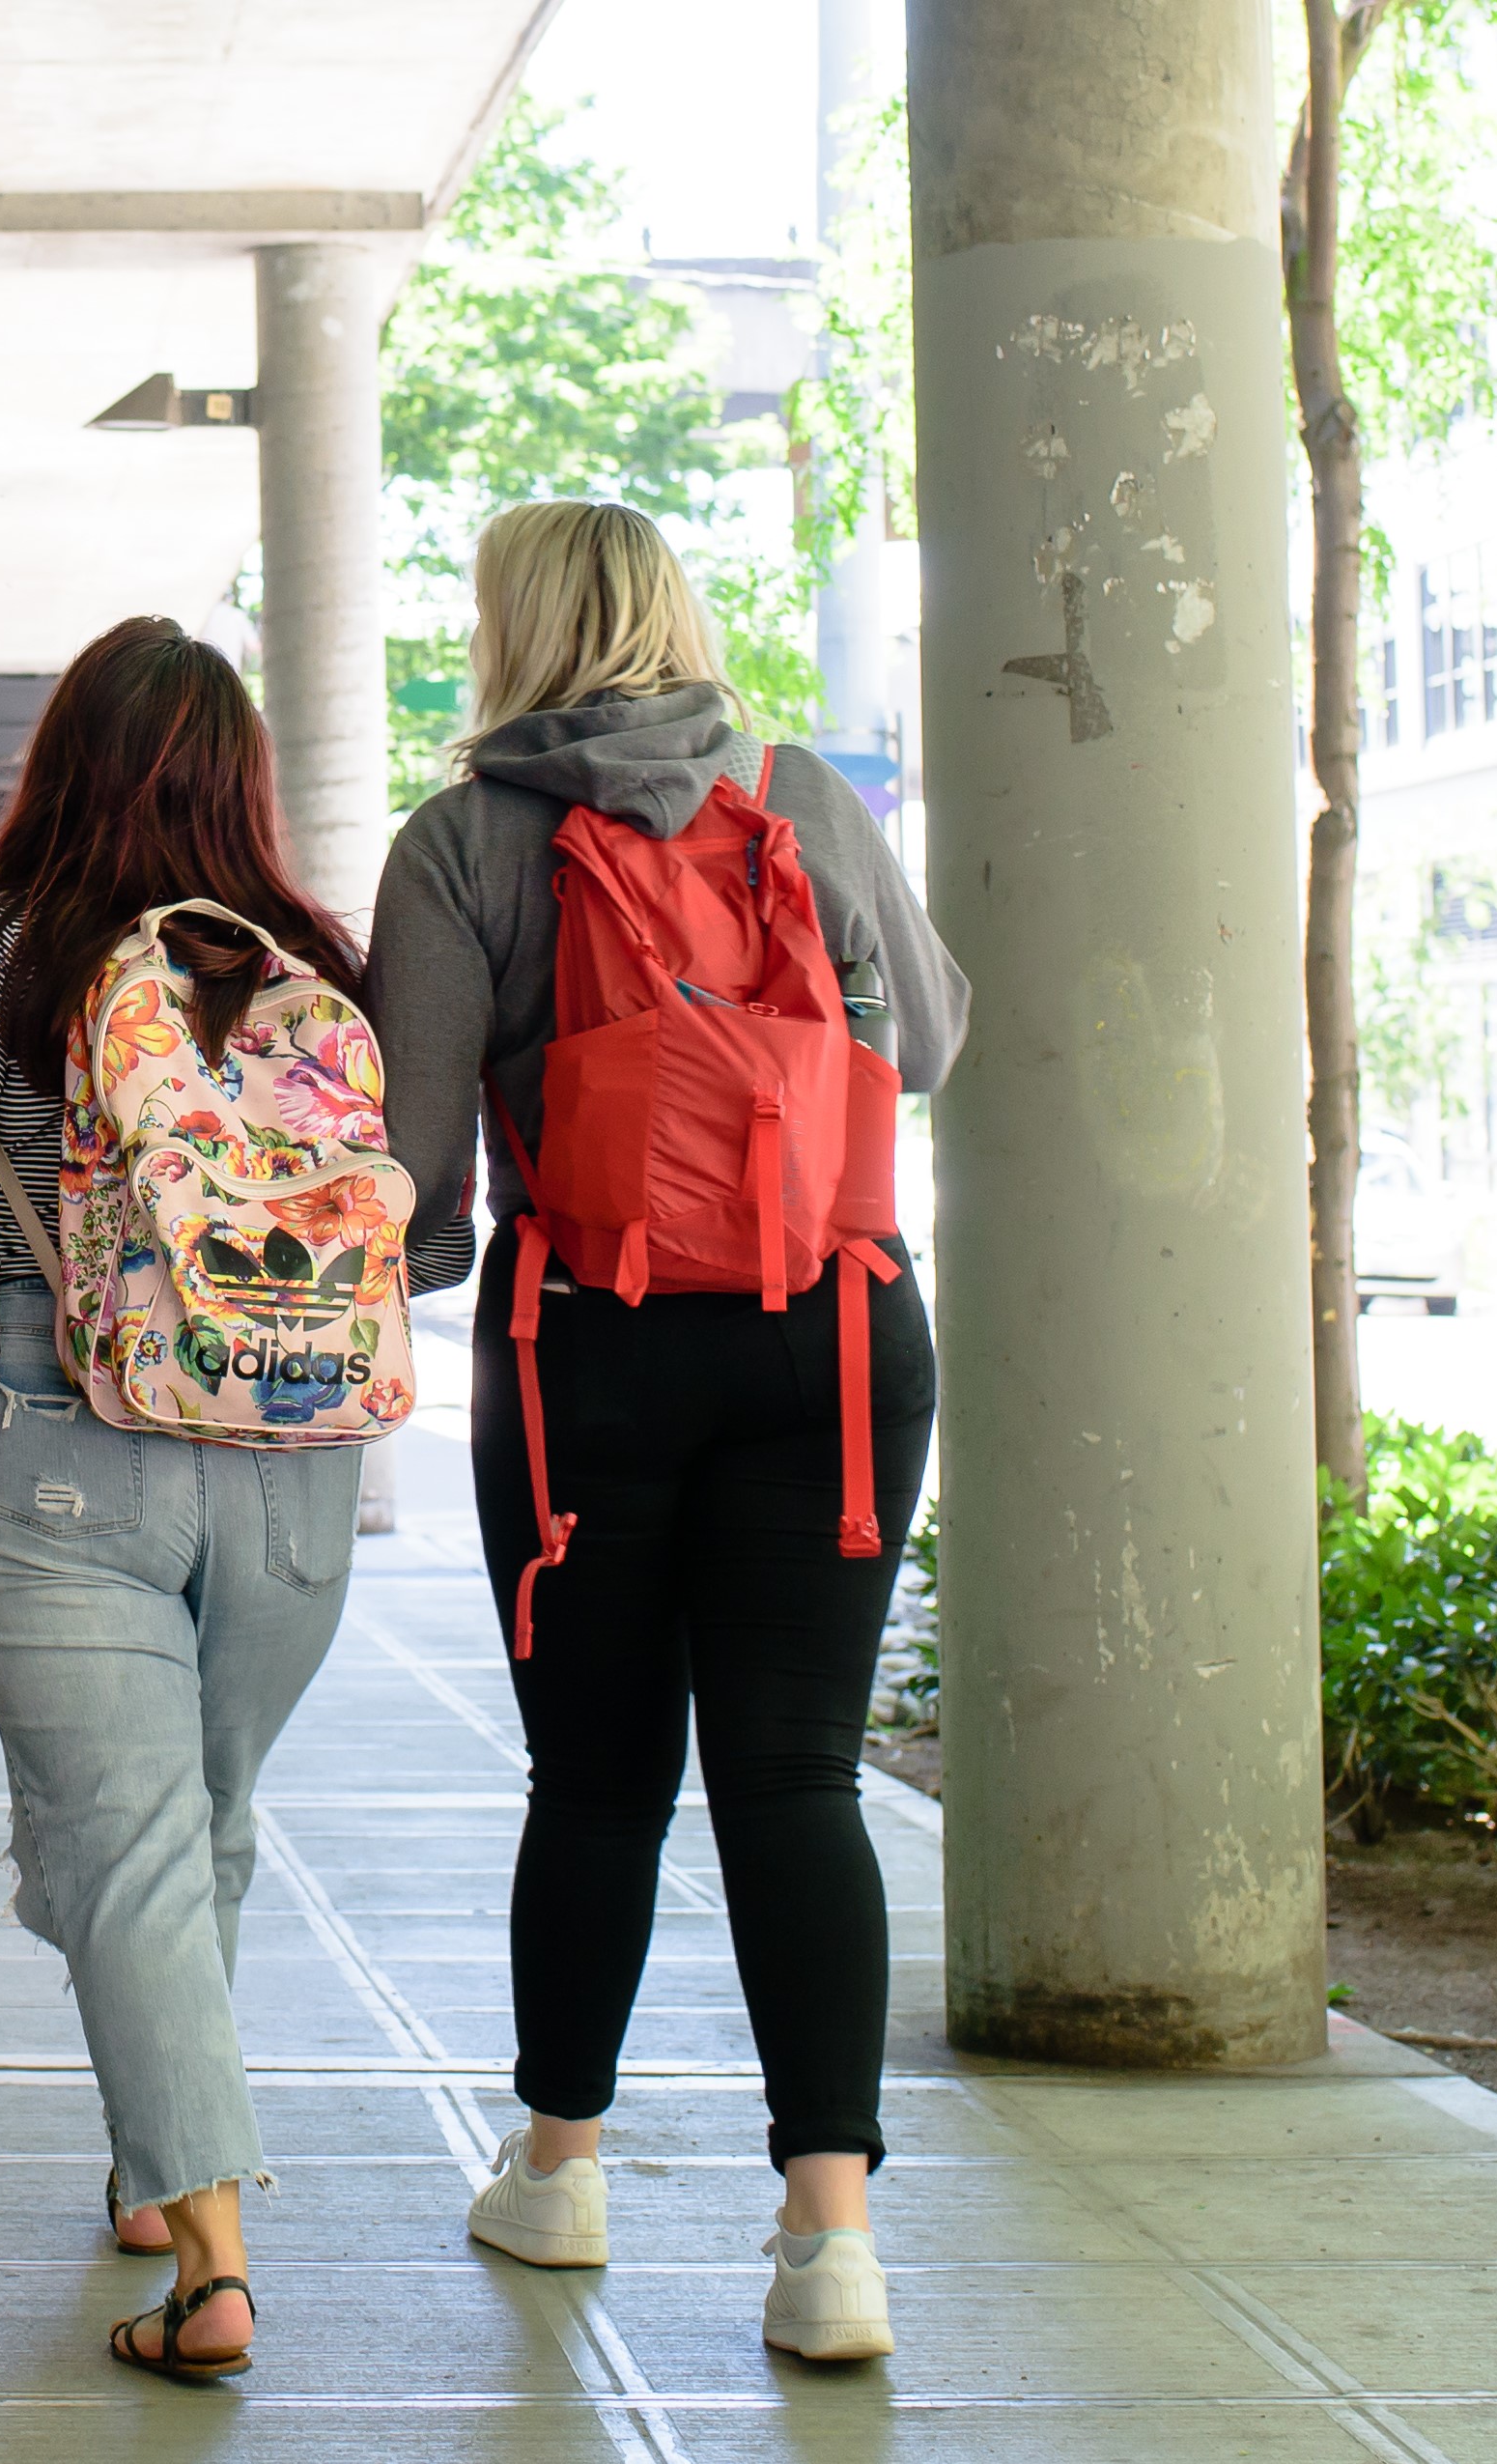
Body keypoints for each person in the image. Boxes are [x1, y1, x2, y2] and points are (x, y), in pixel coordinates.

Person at [367, 498, 968, 2365]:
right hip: (841, 1339)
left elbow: (415, 1160)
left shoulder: (466, 837)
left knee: (600, 1778)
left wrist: (450, 1249)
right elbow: (930, 1039)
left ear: (514, 632)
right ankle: (832, 2244)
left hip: (589, 1357)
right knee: (797, 1785)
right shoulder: (798, 789)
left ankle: (559, 2170)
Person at [0, 616, 466, 2384]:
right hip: (301, 1462)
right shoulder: (321, 967)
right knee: (196, 1822)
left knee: (126, 1842)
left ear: (55, 765)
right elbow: (416, 1222)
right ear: (244, 781)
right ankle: (162, 2178)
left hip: (58, 1432)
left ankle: (210, 2272)